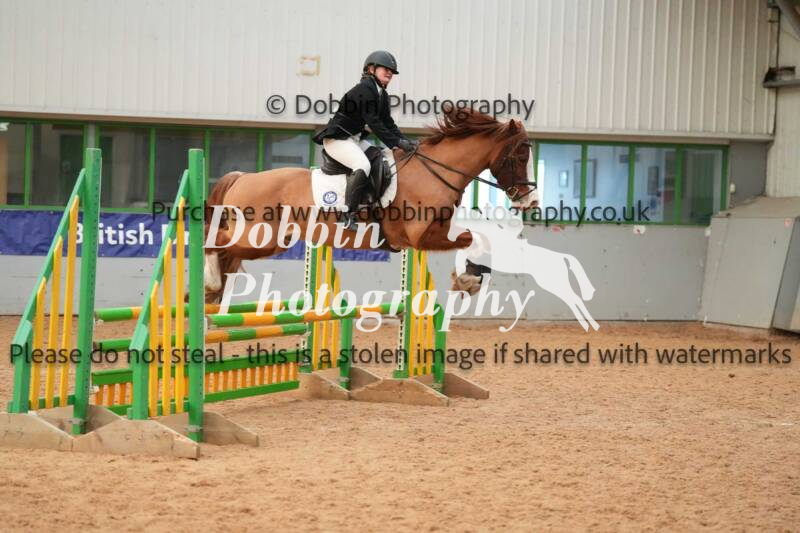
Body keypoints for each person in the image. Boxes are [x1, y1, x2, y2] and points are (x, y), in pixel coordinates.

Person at [313, 50, 418, 230]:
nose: (390, 73)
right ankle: (347, 215)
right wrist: (396, 143)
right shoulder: (364, 89)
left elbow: (388, 123)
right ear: (371, 69)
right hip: (337, 140)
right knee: (363, 165)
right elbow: (374, 123)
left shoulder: (381, 94)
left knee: (380, 158)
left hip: (352, 140)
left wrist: (404, 141)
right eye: (385, 69)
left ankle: (371, 205)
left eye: (392, 71)